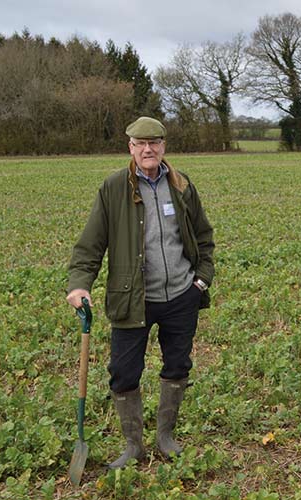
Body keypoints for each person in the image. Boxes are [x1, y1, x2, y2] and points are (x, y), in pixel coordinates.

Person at [66, 116, 215, 469]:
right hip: (132, 299)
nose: (148, 150)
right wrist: (79, 284)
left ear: (164, 146)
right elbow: (90, 245)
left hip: (181, 295)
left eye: (155, 143)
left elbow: (204, 238)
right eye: (140, 144)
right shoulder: (114, 187)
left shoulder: (181, 185)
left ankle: (165, 437)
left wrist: (200, 281)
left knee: (177, 365)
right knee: (123, 371)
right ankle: (134, 445)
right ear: (130, 148)